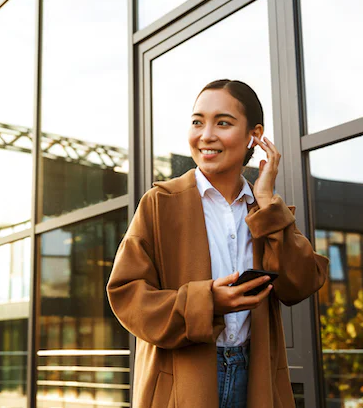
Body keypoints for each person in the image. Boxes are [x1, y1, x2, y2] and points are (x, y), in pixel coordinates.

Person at [106, 79, 329, 408]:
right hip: (182, 383)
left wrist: (268, 202)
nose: (206, 135)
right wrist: (207, 301)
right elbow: (126, 295)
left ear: (254, 135)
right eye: (198, 122)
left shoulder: (262, 208)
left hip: (256, 379)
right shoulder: (159, 203)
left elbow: (303, 281)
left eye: (222, 123)